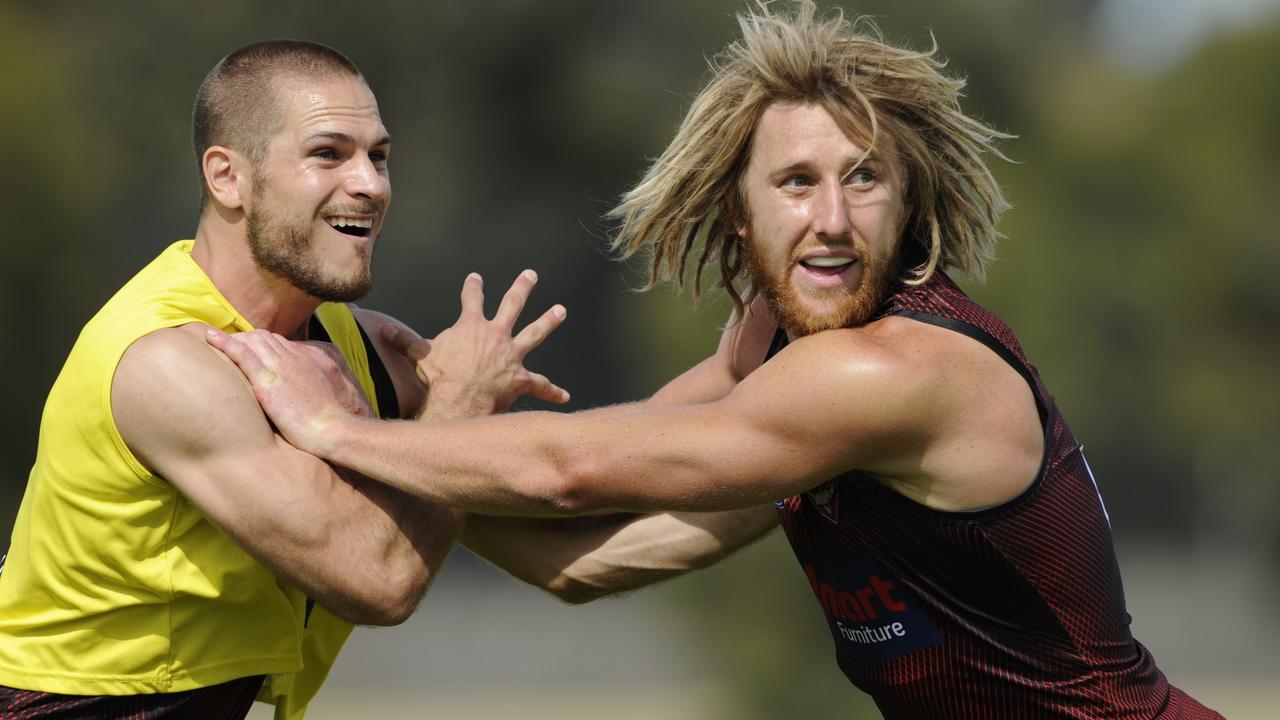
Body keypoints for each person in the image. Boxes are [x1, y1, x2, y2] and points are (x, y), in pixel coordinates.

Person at [210, 4, 1225, 718]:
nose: (830, 219)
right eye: (793, 182)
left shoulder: (890, 375)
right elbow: (591, 558)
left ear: (906, 205)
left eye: (863, 179)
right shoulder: (774, 362)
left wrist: (334, 427)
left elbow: (569, 472)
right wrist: (425, 440)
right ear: (738, 220)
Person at [0, 40, 566, 719]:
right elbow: (379, 579)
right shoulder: (165, 364)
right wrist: (464, 403)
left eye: (379, 156)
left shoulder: (364, 349)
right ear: (226, 177)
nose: (372, 184)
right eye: (329, 153)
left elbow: (575, 531)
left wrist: (728, 413)